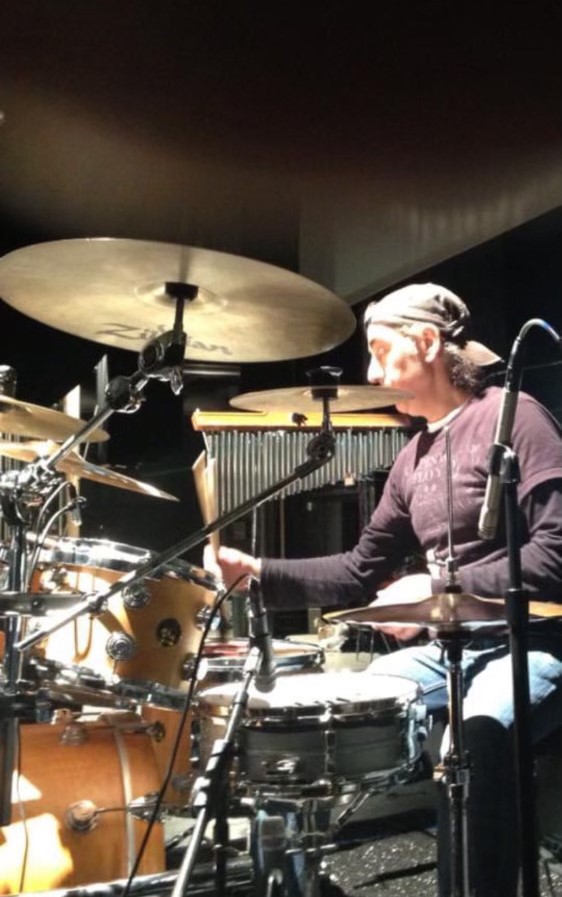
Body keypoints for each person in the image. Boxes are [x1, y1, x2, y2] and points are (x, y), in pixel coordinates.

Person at [206, 282, 562, 897]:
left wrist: (438, 586)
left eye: (379, 351)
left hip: (533, 642)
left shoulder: (517, 418)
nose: (370, 374)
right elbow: (358, 570)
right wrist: (259, 572)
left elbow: (554, 556)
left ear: (427, 342)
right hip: (450, 649)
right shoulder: (412, 457)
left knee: (474, 738)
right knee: (323, 707)